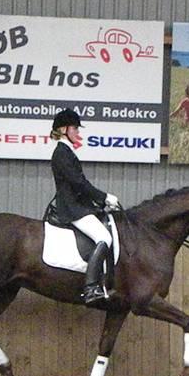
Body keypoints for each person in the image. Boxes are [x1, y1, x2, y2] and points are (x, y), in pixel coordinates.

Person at [49, 108, 120, 305]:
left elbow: (80, 185)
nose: (78, 133)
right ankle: (90, 288)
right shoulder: (62, 153)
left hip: (78, 205)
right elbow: (78, 183)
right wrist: (104, 197)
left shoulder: (66, 152)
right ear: (63, 130)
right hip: (71, 208)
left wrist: (99, 203)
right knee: (104, 237)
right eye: (75, 129)